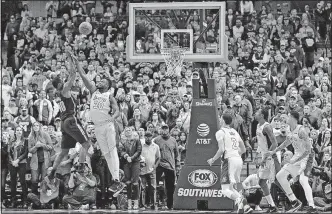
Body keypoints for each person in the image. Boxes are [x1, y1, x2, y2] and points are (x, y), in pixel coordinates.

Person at [73, 53, 125, 195]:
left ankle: (116, 178)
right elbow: (84, 76)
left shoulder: (110, 96)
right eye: (99, 80)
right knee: (107, 153)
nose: (99, 81)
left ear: (107, 85)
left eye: (102, 81)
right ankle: (116, 181)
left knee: (112, 151)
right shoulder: (93, 91)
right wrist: (77, 63)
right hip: (97, 127)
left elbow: (117, 111)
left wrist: (112, 118)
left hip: (108, 125)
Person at [49, 52, 90, 179]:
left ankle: (52, 172)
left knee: (64, 152)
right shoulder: (65, 90)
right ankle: (81, 166)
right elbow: (73, 74)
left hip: (63, 123)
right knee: (87, 144)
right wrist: (71, 59)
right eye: (62, 79)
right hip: (71, 120)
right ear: (60, 83)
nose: (63, 79)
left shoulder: (57, 93)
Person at [269, 111, 317, 213]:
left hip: (307, 157)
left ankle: (312, 207)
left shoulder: (301, 131)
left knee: (303, 181)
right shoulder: (289, 129)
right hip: (297, 156)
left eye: (289, 116)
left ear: (294, 118)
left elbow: (308, 150)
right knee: (280, 176)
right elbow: (287, 142)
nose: (286, 118)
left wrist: (294, 160)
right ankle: (294, 201)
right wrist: (275, 150)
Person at [207, 113, 252, 214]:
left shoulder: (220, 132)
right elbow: (244, 149)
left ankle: (240, 200)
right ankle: (244, 207)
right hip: (238, 159)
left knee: (225, 189)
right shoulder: (234, 131)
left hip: (229, 160)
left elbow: (221, 149)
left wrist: (212, 159)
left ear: (222, 120)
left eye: (220, 117)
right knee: (234, 186)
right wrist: (235, 154)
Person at [253, 108, 279, 212]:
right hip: (264, 156)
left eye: (257, 113)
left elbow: (275, 143)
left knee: (277, 181)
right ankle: (272, 206)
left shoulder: (267, 126)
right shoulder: (258, 125)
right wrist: (257, 154)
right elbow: (261, 143)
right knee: (262, 182)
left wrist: (265, 157)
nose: (255, 114)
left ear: (262, 115)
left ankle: (292, 200)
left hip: (270, 158)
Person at [140, 131, 160, 210]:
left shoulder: (156, 146)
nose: (148, 138)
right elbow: (138, 156)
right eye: (146, 136)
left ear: (152, 137)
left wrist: (155, 166)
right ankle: (143, 205)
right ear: (144, 137)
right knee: (143, 188)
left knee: (153, 188)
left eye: (149, 136)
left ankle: (153, 204)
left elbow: (158, 158)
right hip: (142, 170)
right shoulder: (141, 146)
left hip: (152, 170)